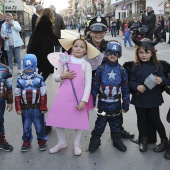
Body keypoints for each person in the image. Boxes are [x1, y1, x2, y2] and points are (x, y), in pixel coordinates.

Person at [46, 38, 100, 156]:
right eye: (76, 46)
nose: (78, 48)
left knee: (78, 120)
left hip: (79, 97)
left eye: (82, 47)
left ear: (86, 51)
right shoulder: (65, 60)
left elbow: (88, 84)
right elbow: (56, 77)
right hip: (64, 96)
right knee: (58, 119)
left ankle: (77, 144)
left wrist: (84, 100)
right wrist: (63, 75)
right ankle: (61, 142)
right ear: (72, 48)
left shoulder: (86, 65)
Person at [86, 16, 134, 139]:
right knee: (83, 111)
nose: (98, 34)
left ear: (105, 31)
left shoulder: (108, 46)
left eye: (101, 31)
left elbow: (116, 66)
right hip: (86, 84)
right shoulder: (83, 46)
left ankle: (119, 130)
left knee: (115, 108)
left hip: (106, 85)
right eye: (95, 31)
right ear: (90, 31)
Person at [88, 41, 130, 152]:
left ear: (120, 55)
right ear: (106, 53)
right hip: (103, 103)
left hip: (116, 103)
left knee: (115, 122)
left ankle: (116, 140)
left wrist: (126, 103)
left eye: (116, 53)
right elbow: (95, 85)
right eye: (110, 52)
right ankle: (95, 140)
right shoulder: (100, 69)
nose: (112, 55)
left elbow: (125, 88)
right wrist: (92, 100)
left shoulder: (122, 70)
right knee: (100, 122)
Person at [129, 35, 168, 152]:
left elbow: (163, 78)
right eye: (141, 52)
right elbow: (131, 81)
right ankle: (143, 140)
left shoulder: (157, 66)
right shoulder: (135, 66)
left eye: (147, 52)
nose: (144, 55)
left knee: (156, 120)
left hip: (153, 99)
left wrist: (161, 80)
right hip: (139, 99)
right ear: (137, 53)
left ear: (152, 53)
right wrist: (136, 86)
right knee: (141, 121)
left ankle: (164, 140)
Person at [27, 8, 59, 135]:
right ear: (50, 15)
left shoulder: (41, 22)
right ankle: (38, 88)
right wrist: (62, 43)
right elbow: (50, 37)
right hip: (42, 54)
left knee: (42, 73)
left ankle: (37, 86)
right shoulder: (46, 23)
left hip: (37, 52)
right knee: (43, 73)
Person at [15, 54, 48, 152]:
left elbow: (43, 93)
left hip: (37, 107)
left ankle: (41, 140)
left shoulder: (39, 78)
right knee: (26, 126)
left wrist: (43, 106)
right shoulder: (20, 79)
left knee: (39, 125)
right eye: (26, 66)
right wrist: (18, 107)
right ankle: (26, 141)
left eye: (31, 66)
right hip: (25, 108)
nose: (29, 69)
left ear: (35, 65)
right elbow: (17, 94)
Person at [0, 51, 13, 152]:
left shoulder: (5, 70)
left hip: (0, 101)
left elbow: (9, 87)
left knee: (0, 120)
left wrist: (9, 102)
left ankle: (1, 140)